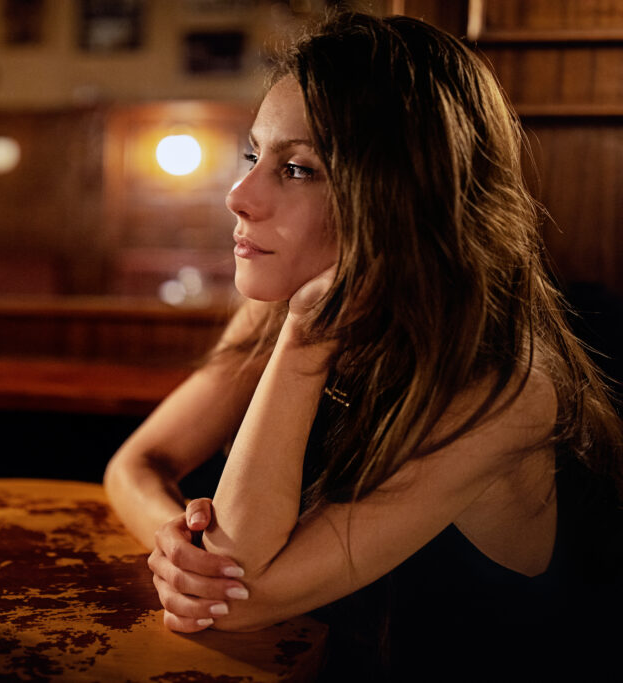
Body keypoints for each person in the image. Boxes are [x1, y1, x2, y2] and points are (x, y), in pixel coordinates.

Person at [103, 11, 622, 682]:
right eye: (254, 156)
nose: (239, 195)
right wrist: (175, 542)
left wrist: (307, 334)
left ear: (398, 196)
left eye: (296, 169)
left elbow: (235, 602)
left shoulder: (503, 393)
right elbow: (135, 463)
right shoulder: (273, 307)